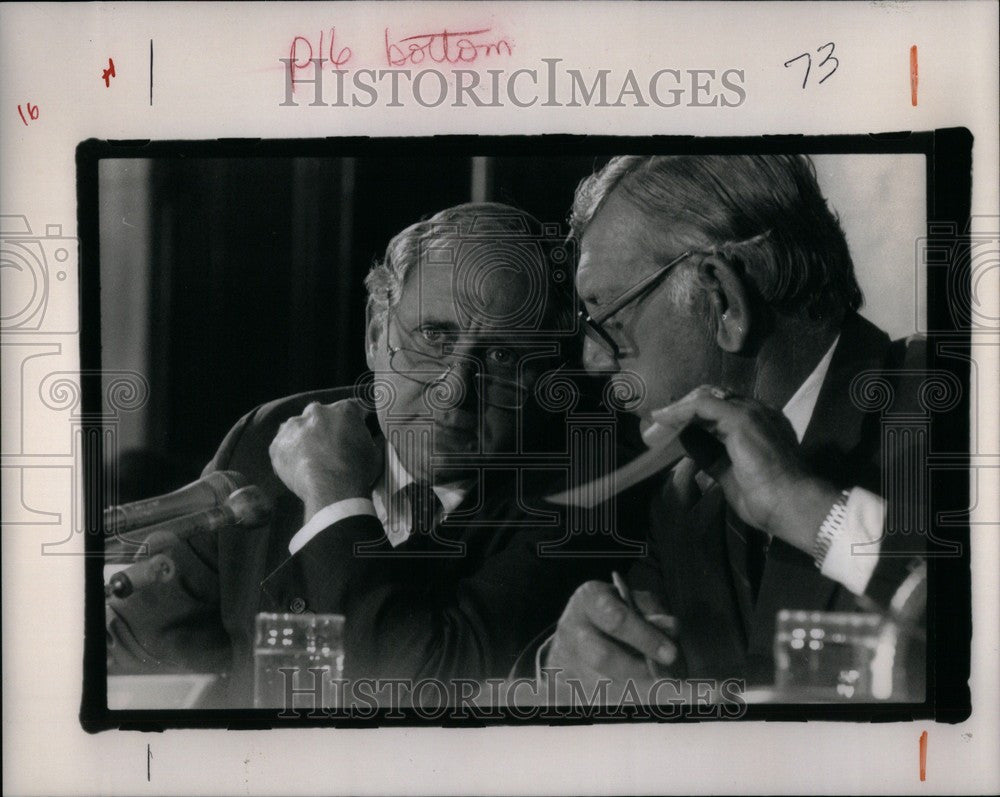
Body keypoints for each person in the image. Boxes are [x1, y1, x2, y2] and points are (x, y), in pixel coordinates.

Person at [107, 202, 615, 708]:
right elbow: (138, 660)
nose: (454, 390)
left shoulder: (584, 497)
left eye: (503, 356)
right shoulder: (268, 438)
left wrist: (333, 494)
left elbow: (411, 693)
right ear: (376, 335)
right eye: (435, 337)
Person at [543, 155, 928, 698]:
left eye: (607, 320)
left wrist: (820, 516)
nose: (591, 360)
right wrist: (570, 662)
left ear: (723, 301)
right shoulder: (682, 498)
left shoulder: (955, 405)